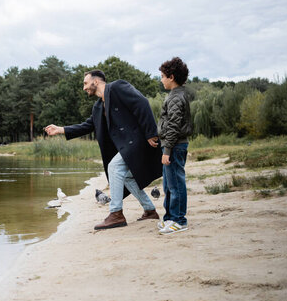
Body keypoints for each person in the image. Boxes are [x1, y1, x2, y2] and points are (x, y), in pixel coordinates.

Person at [45, 70, 162, 230]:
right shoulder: (98, 106)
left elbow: (141, 103)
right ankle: (149, 210)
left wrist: (151, 133)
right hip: (126, 147)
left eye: (86, 83)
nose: (84, 88)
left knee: (114, 167)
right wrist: (61, 129)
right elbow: (87, 126)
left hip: (139, 140)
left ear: (96, 81)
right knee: (128, 178)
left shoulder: (117, 87)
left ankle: (116, 214)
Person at [157, 57, 192, 234]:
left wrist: (167, 150)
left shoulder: (176, 97)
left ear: (171, 77)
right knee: (169, 185)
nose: (161, 80)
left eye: (162, 76)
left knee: (176, 184)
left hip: (175, 146)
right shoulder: (174, 95)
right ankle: (170, 218)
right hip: (171, 145)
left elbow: (174, 125)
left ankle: (179, 220)